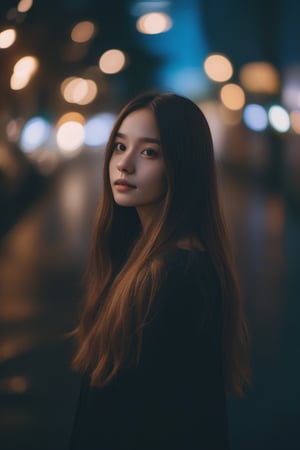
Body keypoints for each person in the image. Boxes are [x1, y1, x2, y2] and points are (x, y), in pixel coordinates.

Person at [69, 92, 249, 450]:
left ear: (183, 166)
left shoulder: (173, 277)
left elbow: (161, 425)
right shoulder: (153, 258)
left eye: (149, 152)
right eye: (120, 146)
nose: (124, 164)